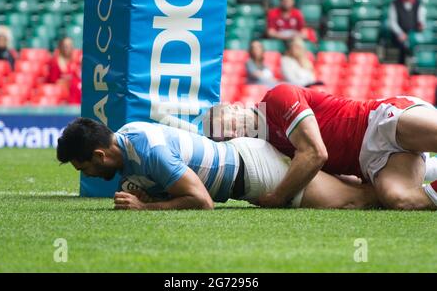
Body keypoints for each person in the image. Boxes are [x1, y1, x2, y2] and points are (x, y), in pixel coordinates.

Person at [57, 118, 379, 211]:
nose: (89, 176)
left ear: (99, 156)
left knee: (356, 198)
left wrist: (147, 209)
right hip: (245, 166)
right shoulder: (127, 137)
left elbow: (202, 202)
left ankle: (420, 191)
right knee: (348, 186)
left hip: (258, 171)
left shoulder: (148, 150)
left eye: (84, 168)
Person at [205, 84, 437, 210]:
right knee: (399, 200)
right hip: (374, 163)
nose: (233, 135)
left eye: (227, 126)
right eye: (226, 138)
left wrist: (278, 196)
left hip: (378, 120)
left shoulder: (276, 98)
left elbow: (315, 154)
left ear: (232, 107)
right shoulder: (269, 148)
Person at [388, 0, 426, 64]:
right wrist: (400, 33)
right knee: (403, 45)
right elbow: (392, 22)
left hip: (413, 34)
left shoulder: (418, 3)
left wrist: (420, 26)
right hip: (399, 35)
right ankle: (402, 66)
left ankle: (417, 65)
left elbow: (421, 19)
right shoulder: (395, 3)